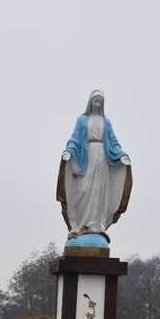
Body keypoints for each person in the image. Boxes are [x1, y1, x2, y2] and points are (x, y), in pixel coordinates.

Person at [57, 90, 132, 241]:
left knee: (99, 190)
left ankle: (97, 226)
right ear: (90, 102)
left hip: (102, 158)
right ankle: (81, 224)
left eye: (100, 102)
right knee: (84, 189)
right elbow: (75, 139)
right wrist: (68, 151)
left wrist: (122, 155)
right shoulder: (82, 120)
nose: (97, 104)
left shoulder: (106, 122)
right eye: (95, 101)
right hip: (87, 156)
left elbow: (114, 142)